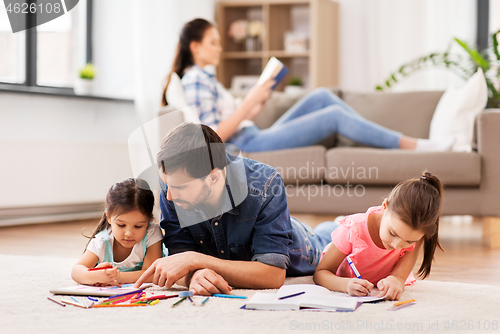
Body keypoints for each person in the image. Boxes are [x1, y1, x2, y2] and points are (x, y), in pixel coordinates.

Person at [161, 18, 454, 153]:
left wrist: (253, 106)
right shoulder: (196, 78)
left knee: (322, 97)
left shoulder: (207, 78)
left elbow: (228, 121)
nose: (220, 48)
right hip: (245, 144)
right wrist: (248, 104)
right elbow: (212, 137)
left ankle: (376, 138)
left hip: (251, 133)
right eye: (213, 42)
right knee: (334, 117)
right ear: (195, 47)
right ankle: (415, 146)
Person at [135, 122, 339, 294]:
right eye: (166, 184)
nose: (168, 196)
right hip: (240, 244)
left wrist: (195, 260)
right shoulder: (173, 184)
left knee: (331, 238)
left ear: (213, 177)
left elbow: (273, 276)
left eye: (179, 187)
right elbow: (180, 257)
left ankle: (338, 225)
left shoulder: (265, 184)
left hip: (300, 245)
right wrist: (194, 274)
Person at [313, 171, 443, 301]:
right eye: (392, 233)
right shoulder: (353, 229)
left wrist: (396, 281)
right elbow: (321, 273)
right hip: (330, 239)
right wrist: (345, 285)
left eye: (409, 241)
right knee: (318, 236)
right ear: (384, 206)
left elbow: (399, 277)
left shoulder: (415, 236)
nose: (396, 245)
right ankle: (334, 224)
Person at [72, 178, 163, 286]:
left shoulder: (151, 233)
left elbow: (151, 274)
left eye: (138, 226)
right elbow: (76, 271)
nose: (129, 233)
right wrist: (96, 276)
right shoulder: (102, 241)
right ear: (109, 217)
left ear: (149, 221)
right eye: (121, 225)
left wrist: (117, 277)